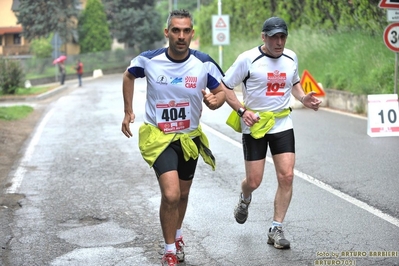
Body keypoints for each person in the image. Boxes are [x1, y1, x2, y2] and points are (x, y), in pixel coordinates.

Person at [121, 9, 225, 266]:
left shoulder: (204, 63)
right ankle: (169, 249)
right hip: (159, 137)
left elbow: (222, 90)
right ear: (167, 32)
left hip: (189, 137)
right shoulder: (150, 60)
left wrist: (216, 101)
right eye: (175, 30)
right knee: (171, 195)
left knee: (183, 195)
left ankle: (177, 235)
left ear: (192, 33)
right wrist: (128, 110)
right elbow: (128, 75)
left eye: (186, 31)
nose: (181, 36)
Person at [221, 17, 322, 249]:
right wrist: (241, 110)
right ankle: (245, 197)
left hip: (281, 122)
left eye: (282, 36)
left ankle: (276, 227)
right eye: (274, 36)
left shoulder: (291, 57)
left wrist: (303, 97)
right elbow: (225, 86)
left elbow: (294, 83)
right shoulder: (248, 59)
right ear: (263, 37)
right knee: (254, 181)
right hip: (254, 123)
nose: (279, 41)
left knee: (286, 176)